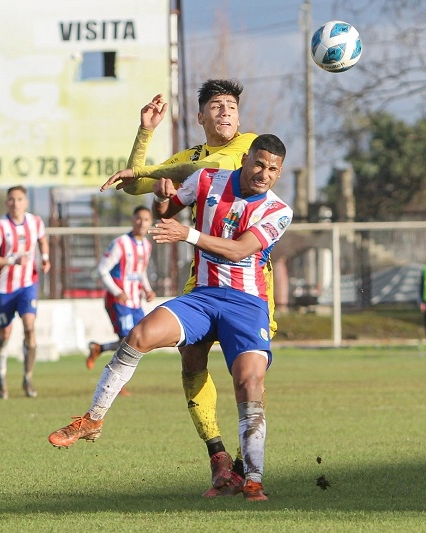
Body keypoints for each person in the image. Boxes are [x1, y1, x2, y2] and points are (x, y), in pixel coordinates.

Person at [49, 134, 292, 502]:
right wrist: (163, 196)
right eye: (259, 164)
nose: (264, 174)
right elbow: (166, 212)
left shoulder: (278, 211)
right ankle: (93, 420)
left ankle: (252, 479)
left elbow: (240, 249)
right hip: (203, 296)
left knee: (249, 382)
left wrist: (189, 234)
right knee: (139, 335)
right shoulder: (208, 178)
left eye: (273, 169)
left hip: (248, 303)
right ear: (245, 159)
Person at [100, 80, 273, 497]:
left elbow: (195, 169)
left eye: (231, 105)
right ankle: (219, 460)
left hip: (250, 284)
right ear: (201, 117)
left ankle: (248, 466)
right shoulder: (190, 158)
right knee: (191, 360)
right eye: (216, 106)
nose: (225, 113)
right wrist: (146, 134)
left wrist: (153, 173)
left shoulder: (248, 148)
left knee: (248, 378)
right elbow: (136, 187)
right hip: (203, 279)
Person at [0, 185, 50, 399]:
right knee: (5, 333)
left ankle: (28, 378)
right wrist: (11, 260)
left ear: (25, 202)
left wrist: (45, 258)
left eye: (19, 199)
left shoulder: (35, 222)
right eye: (11, 199)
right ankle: (1, 376)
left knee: (30, 327)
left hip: (28, 285)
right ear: (6, 203)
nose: (15, 203)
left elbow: (42, 240)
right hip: (4, 288)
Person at [86, 206, 156, 398]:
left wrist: (147, 289)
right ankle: (115, 383)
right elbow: (102, 270)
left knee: (140, 340)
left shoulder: (146, 246)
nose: (142, 223)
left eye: (146, 219)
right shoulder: (121, 243)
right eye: (139, 218)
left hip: (135, 302)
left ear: (150, 223)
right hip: (118, 301)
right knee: (128, 341)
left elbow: (140, 271)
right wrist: (117, 292)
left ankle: (100, 348)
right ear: (133, 220)